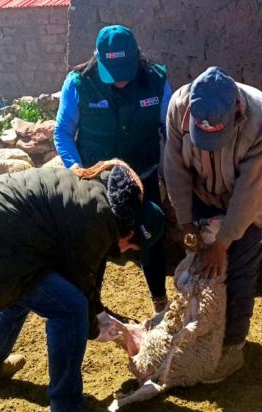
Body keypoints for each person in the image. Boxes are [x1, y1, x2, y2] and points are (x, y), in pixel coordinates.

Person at [0, 161, 164, 412]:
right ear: (130, 232)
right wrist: (97, 328)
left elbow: (87, 275)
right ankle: (67, 410)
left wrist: (105, 317)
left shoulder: (96, 196)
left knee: (20, 295)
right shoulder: (97, 222)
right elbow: (79, 285)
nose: (126, 252)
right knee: (69, 308)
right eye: (131, 247)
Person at [163, 66, 262, 383]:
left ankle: (232, 345)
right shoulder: (177, 107)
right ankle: (203, 331)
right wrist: (187, 222)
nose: (207, 144)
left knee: (239, 266)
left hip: (252, 195)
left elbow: (251, 190)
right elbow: (175, 168)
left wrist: (223, 241)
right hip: (204, 190)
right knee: (200, 265)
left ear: (235, 115)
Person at [54, 24, 173, 313]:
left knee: (152, 238)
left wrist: (171, 173)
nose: (120, 82)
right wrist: (78, 173)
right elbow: (63, 133)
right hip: (97, 183)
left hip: (143, 178)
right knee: (95, 245)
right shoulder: (79, 83)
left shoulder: (157, 81)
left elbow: (170, 131)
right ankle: (90, 304)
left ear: (137, 58)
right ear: (98, 59)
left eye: (125, 72)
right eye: (112, 73)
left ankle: (160, 300)